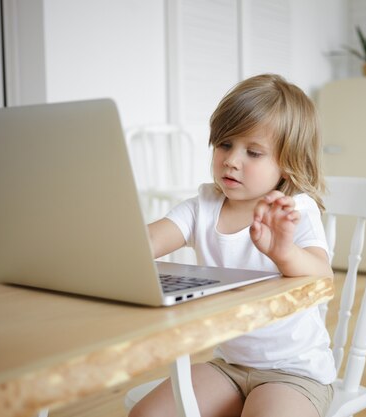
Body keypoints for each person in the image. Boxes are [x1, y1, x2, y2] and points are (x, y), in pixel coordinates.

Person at [129, 74, 336, 417]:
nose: (232, 160)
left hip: (296, 374)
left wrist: (283, 252)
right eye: (225, 144)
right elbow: (148, 241)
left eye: (253, 152)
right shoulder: (202, 206)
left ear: (287, 164)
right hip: (230, 365)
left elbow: (322, 276)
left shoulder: (294, 210)